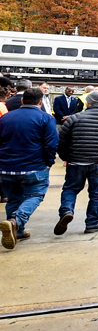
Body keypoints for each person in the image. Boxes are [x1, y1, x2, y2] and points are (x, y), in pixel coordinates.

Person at [55, 89, 98, 235]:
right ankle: (92, 223)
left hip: (76, 161)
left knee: (70, 189)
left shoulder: (74, 118)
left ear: (88, 103)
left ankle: (67, 211)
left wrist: (66, 157)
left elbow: (61, 140)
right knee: (96, 193)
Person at [0, 87, 59, 249]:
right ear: (40, 102)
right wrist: (49, 162)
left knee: (13, 198)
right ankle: (16, 221)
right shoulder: (45, 118)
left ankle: (18, 232)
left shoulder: (5, 118)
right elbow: (51, 144)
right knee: (35, 194)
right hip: (33, 166)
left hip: (5, 167)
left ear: (21, 100)